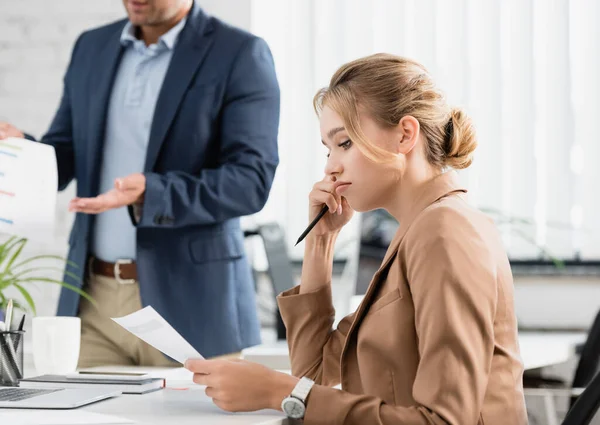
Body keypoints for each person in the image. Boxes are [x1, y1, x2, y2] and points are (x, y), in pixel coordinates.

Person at [184, 53, 528, 425]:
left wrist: (279, 392)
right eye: (328, 149)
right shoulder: (418, 231)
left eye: (344, 143)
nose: (331, 165)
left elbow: (444, 421)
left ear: (405, 134)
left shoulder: (444, 231)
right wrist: (320, 242)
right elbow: (315, 368)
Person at [0, 0, 280, 367]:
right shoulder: (92, 46)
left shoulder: (239, 53)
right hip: (93, 303)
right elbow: (67, 152)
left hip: (191, 305)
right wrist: (23, 152)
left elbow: (251, 180)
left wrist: (153, 194)